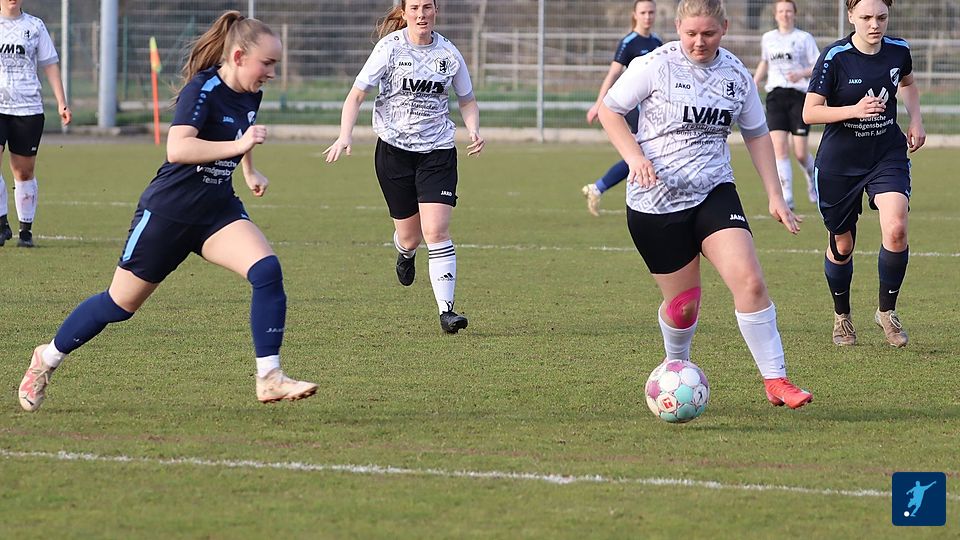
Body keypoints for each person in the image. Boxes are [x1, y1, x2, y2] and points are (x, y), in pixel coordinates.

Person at [17, 11, 318, 412]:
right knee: (118, 305)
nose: (272, 73)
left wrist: (248, 169)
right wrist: (239, 147)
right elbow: (178, 148)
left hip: (216, 210)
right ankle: (47, 357)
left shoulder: (251, 91)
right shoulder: (202, 89)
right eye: (267, 63)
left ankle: (270, 377)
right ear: (239, 56)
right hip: (169, 212)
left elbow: (241, 132)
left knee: (266, 271)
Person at [598, 0, 813, 409]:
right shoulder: (655, 65)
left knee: (750, 281)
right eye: (691, 33)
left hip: (714, 192)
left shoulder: (736, 74)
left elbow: (756, 133)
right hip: (655, 202)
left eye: (709, 33)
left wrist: (775, 195)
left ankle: (776, 379)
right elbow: (611, 110)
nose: (699, 42)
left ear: (725, 28)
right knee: (683, 308)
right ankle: (675, 365)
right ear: (678, 28)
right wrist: (634, 157)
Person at [324, 0, 484, 334]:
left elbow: (466, 99)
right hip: (394, 152)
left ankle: (447, 312)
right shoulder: (389, 49)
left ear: (436, 11)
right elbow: (357, 94)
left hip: (438, 151)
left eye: (427, 7)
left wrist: (473, 129)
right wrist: (344, 135)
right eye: (414, 8)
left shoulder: (449, 54)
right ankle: (405, 253)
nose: (421, 14)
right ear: (404, 12)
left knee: (435, 231)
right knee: (410, 237)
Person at [802, 0, 924, 348]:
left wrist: (916, 119)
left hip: (885, 154)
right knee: (842, 244)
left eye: (881, 17)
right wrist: (853, 110)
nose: (875, 24)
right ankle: (842, 316)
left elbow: (908, 83)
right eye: (867, 17)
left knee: (896, 228)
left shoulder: (898, 50)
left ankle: (887, 312)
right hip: (840, 163)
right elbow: (810, 112)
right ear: (850, 15)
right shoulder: (835, 57)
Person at [0, 0, 71, 247]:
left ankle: (25, 231)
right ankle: (2, 223)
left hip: (28, 108)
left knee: (23, 171)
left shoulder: (35, 26)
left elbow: (49, 64)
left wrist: (62, 102)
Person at [582, 0, 662, 216]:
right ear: (635, 15)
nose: (648, 16)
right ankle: (600, 188)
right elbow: (613, 74)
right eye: (643, 12)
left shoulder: (657, 41)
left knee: (643, 151)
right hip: (636, 108)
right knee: (643, 150)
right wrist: (599, 105)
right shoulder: (628, 42)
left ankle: (597, 188)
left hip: (654, 107)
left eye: (651, 12)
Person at [752, 0, 819, 210]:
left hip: (798, 96)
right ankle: (787, 195)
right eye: (781, 11)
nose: (785, 14)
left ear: (794, 14)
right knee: (779, 148)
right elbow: (765, 62)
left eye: (788, 11)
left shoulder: (804, 38)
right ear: (775, 15)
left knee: (800, 152)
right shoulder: (768, 38)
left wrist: (800, 73)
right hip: (775, 95)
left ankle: (812, 177)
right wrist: (754, 82)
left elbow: (817, 65)